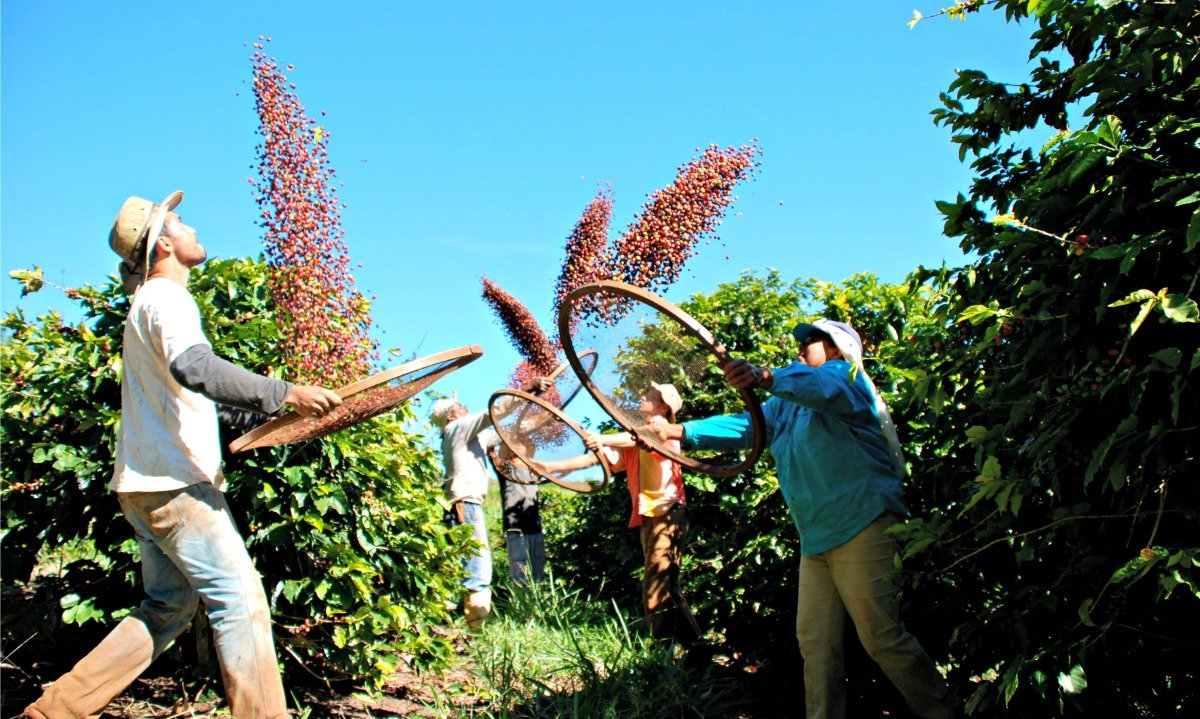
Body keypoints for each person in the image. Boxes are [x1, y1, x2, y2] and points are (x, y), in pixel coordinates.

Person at [25, 191, 343, 719]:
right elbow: (196, 367)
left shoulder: (145, 306)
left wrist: (280, 418)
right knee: (241, 604)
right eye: (179, 221)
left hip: (144, 485)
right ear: (164, 244)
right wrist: (286, 391)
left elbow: (196, 397)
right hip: (175, 485)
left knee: (166, 609)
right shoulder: (166, 299)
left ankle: (54, 710)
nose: (191, 226)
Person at [649, 318, 954, 719]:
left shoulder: (847, 379)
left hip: (863, 522)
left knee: (881, 636)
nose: (799, 349)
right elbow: (747, 425)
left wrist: (763, 375)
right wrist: (678, 431)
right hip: (818, 538)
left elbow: (819, 386)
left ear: (835, 347)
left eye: (809, 341)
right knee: (815, 641)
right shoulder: (789, 403)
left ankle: (943, 712)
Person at [534, 383, 701, 641]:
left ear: (663, 406)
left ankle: (665, 654)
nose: (642, 395)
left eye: (650, 395)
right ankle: (694, 653)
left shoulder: (663, 432)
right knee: (669, 586)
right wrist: (551, 466)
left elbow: (638, 436)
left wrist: (601, 438)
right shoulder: (633, 439)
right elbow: (596, 459)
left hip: (669, 514)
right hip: (651, 518)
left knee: (656, 589)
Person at [430, 379, 549, 626]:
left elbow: (510, 432)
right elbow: (494, 412)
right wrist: (525, 390)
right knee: (478, 571)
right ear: (451, 416)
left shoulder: (471, 438)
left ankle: (468, 626)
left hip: (468, 506)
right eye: (461, 406)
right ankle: (476, 633)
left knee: (473, 569)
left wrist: (546, 417)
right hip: (465, 506)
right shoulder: (457, 429)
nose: (466, 408)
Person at [486, 438, 547, 588]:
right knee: (520, 572)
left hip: (534, 527)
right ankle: (521, 607)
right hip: (516, 527)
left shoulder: (535, 471)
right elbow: (491, 453)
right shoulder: (506, 470)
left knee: (539, 572)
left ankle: (538, 607)